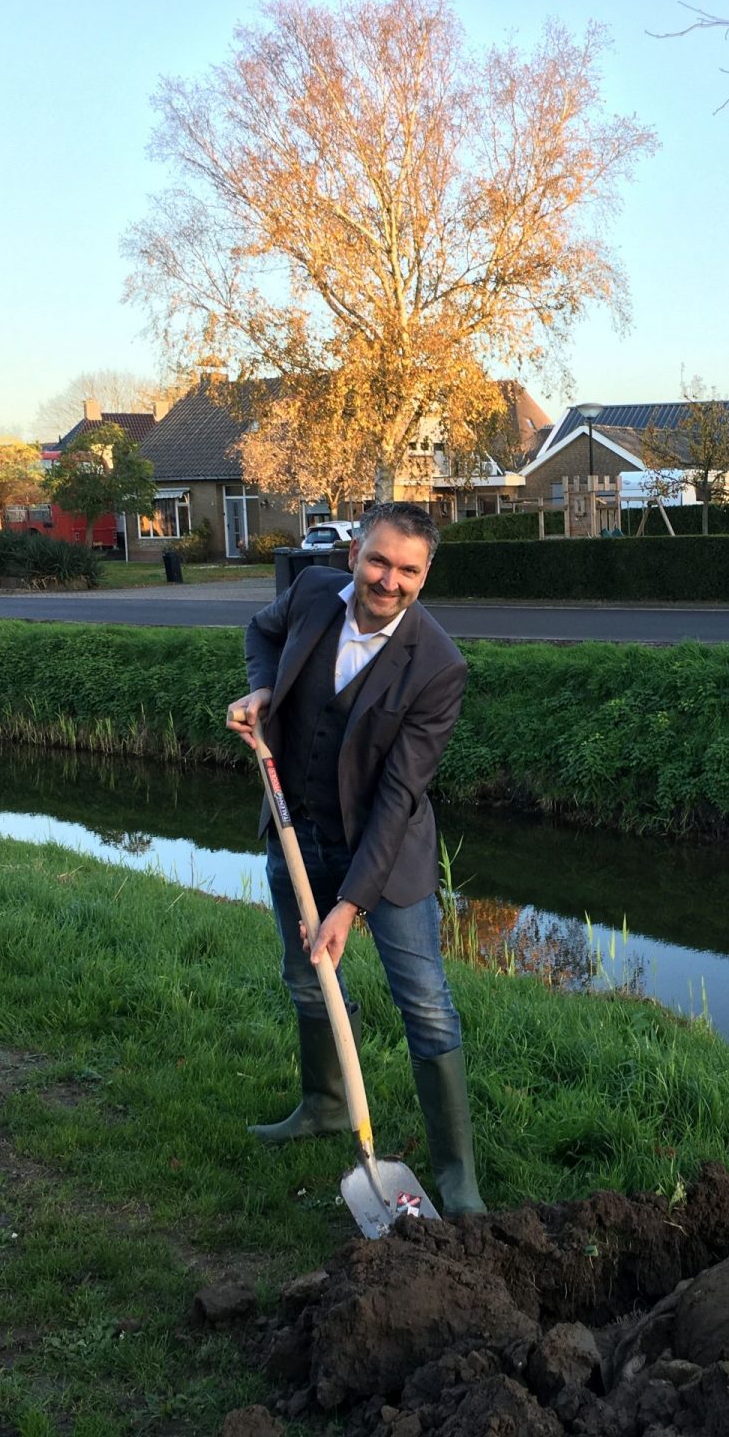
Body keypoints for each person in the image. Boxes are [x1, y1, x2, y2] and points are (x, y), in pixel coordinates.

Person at [225, 500, 482, 1214]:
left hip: (385, 856)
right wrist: (263, 684)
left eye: (408, 569)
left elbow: (400, 797)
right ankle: (325, 1105)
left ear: (426, 575)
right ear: (352, 556)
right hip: (295, 830)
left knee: (425, 1005)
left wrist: (349, 904)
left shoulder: (438, 667)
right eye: (378, 560)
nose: (389, 580)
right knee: (307, 981)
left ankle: (457, 1175)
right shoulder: (310, 594)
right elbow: (260, 629)